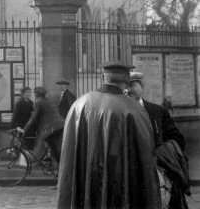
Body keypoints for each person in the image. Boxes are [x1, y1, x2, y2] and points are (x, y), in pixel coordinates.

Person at [57, 61, 161, 209]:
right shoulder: (134, 109)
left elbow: (68, 154)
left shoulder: (79, 105)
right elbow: (145, 156)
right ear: (126, 79)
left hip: (85, 180)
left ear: (102, 77)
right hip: (120, 185)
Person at [127, 71, 190, 209]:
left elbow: (177, 140)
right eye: (124, 85)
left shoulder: (158, 111)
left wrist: (160, 155)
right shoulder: (117, 112)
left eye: (132, 84)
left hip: (159, 177)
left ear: (141, 86)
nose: (127, 89)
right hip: (130, 177)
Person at [21, 86, 64, 166]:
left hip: (51, 129)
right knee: (53, 149)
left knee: (54, 151)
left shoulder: (39, 103)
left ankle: (60, 173)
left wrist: (25, 129)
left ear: (37, 95)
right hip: (60, 126)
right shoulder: (49, 101)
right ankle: (54, 166)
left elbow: (32, 118)